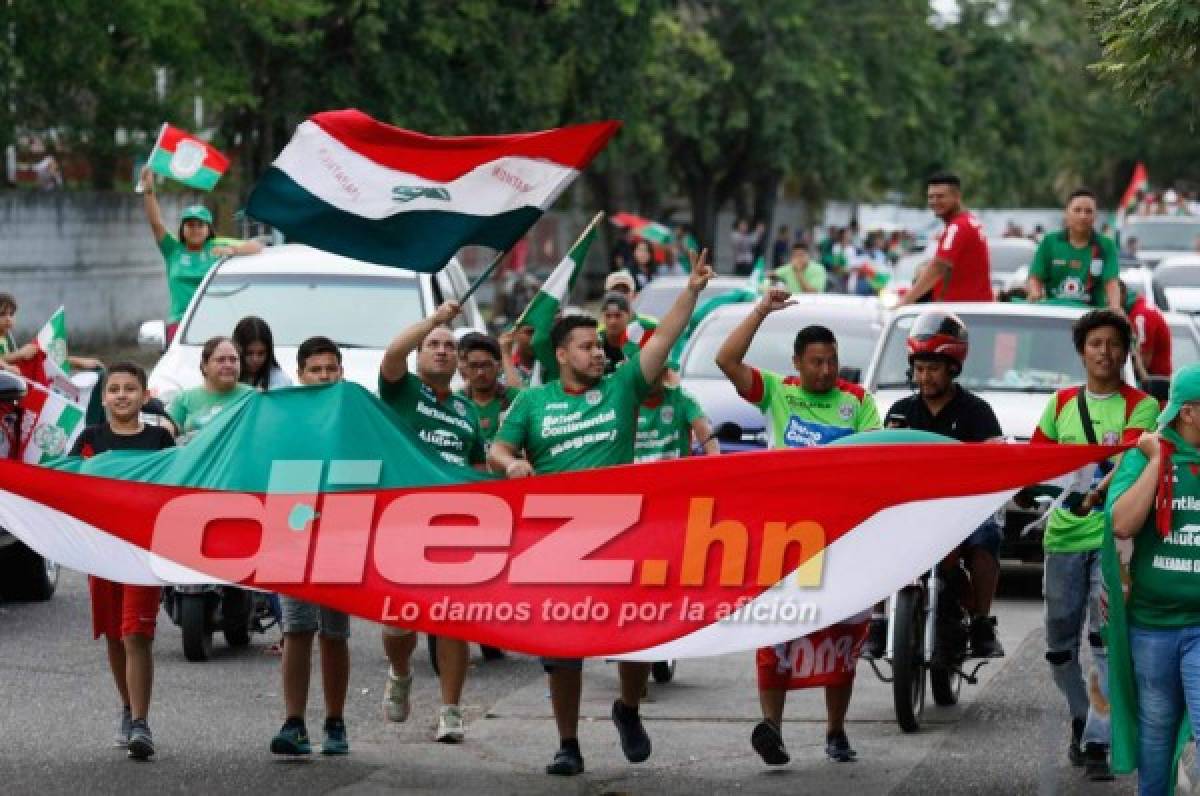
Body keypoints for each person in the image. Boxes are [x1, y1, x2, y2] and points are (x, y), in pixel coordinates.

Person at [487, 250, 715, 777]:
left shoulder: (622, 387)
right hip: (556, 545)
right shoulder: (532, 402)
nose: (598, 354)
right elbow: (498, 449)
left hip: (623, 539)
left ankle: (628, 709)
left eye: (598, 345)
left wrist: (692, 291)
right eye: (587, 347)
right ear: (562, 354)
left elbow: (661, 342)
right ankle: (567, 743)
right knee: (564, 651)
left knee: (632, 636)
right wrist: (510, 463)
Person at [715, 287, 881, 765]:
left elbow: (873, 458)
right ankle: (772, 728)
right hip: (783, 537)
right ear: (797, 362)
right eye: (815, 362)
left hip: (843, 536)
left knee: (842, 636)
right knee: (774, 633)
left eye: (831, 361)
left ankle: (836, 732)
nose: (826, 371)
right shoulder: (777, 392)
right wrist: (762, 310)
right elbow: (727, 359)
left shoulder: (858, 402)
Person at [1031, 310, 1158, 781]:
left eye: (1113, 344)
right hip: (1063, 536)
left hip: (1113, 540)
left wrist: (1100, 490)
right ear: (1082, 350)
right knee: (1059, 648)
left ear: (1126, 352)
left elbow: (1130, 464)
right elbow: (1037, 463)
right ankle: (1083, 717)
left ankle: (1100, 741)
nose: (1104, 353)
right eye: (1095, 344)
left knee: (1104, 642)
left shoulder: (1142, 407)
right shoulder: (1060, 403)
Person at [377, 301, 485, 742]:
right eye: (433, 345)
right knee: (398, 624)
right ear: (420, 357)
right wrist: (436, 319)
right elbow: (392, 353)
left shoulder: (466, 412)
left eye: (448, 346)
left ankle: (450, 710)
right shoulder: (403, 391)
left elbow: (477, 468)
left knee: (451, 620)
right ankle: (400, 672)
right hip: (403, 523)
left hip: (455, 527)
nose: (441, 350)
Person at [877, 311, 1005, 659]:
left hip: (964, 511)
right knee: (871, 531)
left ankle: (981, 621)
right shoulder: (900, 411)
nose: (925, 376)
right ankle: (877, 618)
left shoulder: (978, 411)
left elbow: (997, 458)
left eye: (933, 368)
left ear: (952, 368)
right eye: (919, 368)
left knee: (989, 536)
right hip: (912, 508)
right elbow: (882, 459)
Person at [69, 363, 175, 760]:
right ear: (103, 397)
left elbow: (177, 485)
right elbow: (68, 484)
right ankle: (128, 708)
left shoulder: (160, 439)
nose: (121, 395)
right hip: (101, 550)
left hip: (143, 550)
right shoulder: (90, 439)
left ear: (145, 395)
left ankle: (142, 723)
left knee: (136, 633)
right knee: (114, 634)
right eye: (113, 389)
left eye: (130, 388)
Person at [1109, 364, 1200, 795]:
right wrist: (1158, 462)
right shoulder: (1145, 453)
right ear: (1188, 412)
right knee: (1156, 738)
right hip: (1152, 625)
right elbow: (1123, 524)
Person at [270, 337, 352, 757]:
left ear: (341, 371)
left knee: (335, 633)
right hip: (291, 520)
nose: (324, 376)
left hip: (343, 527)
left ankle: (335, 722)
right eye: (316, 369)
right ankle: (294, 722)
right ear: (300, 374)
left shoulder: (354, 413)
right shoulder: (282, 415)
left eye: (331, 368)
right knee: (296, 627)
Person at [138, 166, 263, 342]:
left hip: (215, 324)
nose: (195, 229)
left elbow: (256, 246)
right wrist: (149, 191)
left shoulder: (216, 245)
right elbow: (156, 224)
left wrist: (233, 250)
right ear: (182, 228)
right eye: (190, 225)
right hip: (179, 324)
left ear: (208, 229)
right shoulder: (173, 249)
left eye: (200, 225)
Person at [898, 173, 992, 305]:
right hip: (970, 308)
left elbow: (938, 267)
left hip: (964, 311)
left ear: (957, 197)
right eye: (931, 197)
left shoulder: (958, 227)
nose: (934, 201)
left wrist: (902, 303)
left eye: (941, 196)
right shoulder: (969, 222)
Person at [1026, 189, 1121, 310]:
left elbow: (1111, 281)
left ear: (1095, 216)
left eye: (1088, 211)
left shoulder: (1106, 245)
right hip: (1054, 313)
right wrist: (1035, 292)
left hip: (1091, 318)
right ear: (1066, 213)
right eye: (1077, 210)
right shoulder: (1050, 241)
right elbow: (1035, 276)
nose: (1083, 216)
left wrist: (1115, 307)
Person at [165, 336, 254, 442]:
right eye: (221, 360)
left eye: (233, 359)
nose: (228, 365)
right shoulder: (184, 399)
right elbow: (166, 433)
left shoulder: (253, 397)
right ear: (204, 366)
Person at [634, 368, 718, 462]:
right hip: (635, 475)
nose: (649, 378)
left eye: (654, 370)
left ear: (664, 372)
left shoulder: (683, 400)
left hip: (678, 474)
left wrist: (716, 471)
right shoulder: (622, 404)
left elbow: (710, 442)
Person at [457, 332, 520, 450]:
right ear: (465, 368)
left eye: (486, 365)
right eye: (474, 366)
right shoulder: (457, 402)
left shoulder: (515, 399)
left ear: (499, 366)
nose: (480, 372)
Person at [1121, 280, 1171, 380]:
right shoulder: (1137, 307)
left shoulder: (1141, 316)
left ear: (1122, 293)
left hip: (1156, 383)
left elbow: (1144, 360)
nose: (1107, 301)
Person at [599, 292, 656, 374]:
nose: (613, 321)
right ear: (602, 317)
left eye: (618, 316)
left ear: (629, 315)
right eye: (608, 316)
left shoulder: (642, 338)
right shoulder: (596, 341)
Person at [233, 316, 291, 391]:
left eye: (261, 353)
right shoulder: (225, 378)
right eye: (249, 353)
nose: (255, 359)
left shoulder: (281, 382)